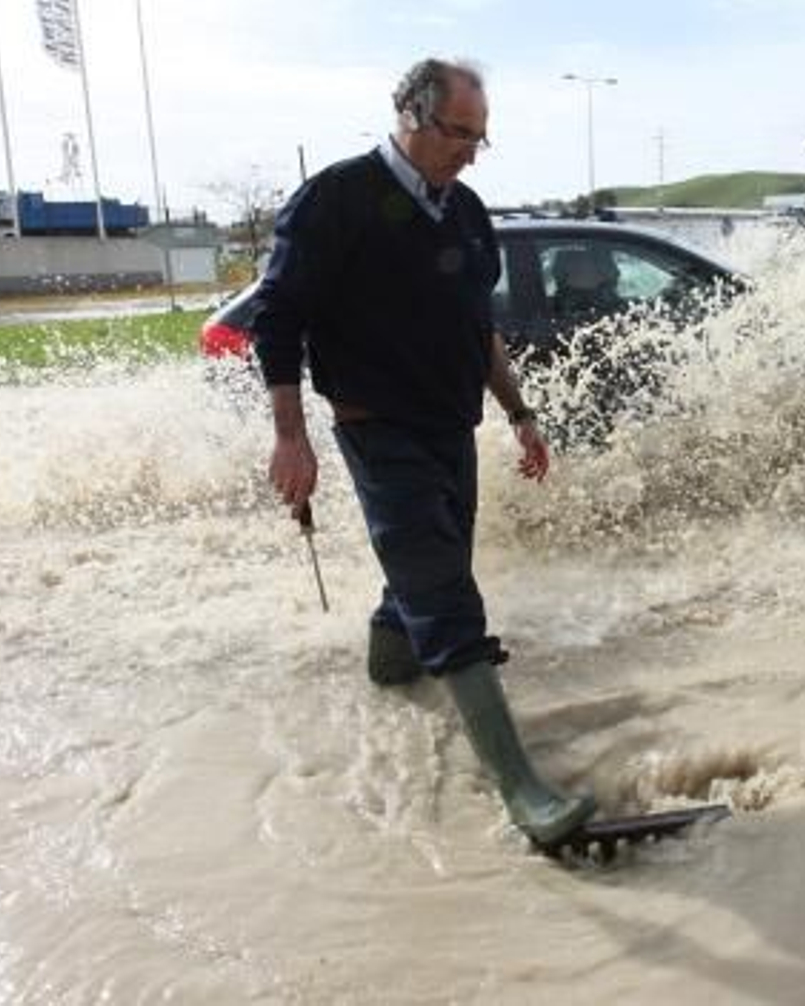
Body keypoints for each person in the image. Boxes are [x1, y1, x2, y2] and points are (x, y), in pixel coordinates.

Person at [250, 58, 596, 845]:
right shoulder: (336, 199)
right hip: (378, 430)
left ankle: (388, 671)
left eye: (481, 138)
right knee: (445, 593)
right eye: (458, 133)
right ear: (410, 112)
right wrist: (289, 434)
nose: (470, 151)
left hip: (452, 430)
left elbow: (481, 332)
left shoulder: (468, 213)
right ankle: (525, 795)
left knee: (427, 567)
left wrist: (520, 413)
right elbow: (278, 320)